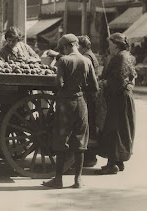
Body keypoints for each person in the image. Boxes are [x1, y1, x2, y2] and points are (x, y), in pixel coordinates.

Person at [42, 34, 98, 189]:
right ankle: (78, 180)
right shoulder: (87, 61)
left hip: (65, 103)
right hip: (81, 103)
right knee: (80, 142)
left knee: (61, 140)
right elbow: (94, 86)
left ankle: (58, 179)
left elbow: (58, 83)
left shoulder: (63, 60)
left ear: (66, 47)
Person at [95, 33, 137, 175]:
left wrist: (103, 83)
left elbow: (118, 80)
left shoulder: (120, 57)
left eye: (110, 44)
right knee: (121, 129)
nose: (108, 46)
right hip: (123, 98)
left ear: (116, 44)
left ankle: (112, 164)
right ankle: (118, 162)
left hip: (119, 99)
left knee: (113, 129)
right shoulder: (126, 56)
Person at [77, 35, 100, 167]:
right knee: (90, 125)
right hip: (92, 94)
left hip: (89, 95)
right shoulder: (90, 55)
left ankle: (89, 157)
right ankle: (90, 157)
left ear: (82, 46)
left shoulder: (86, 57)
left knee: (88, 125)